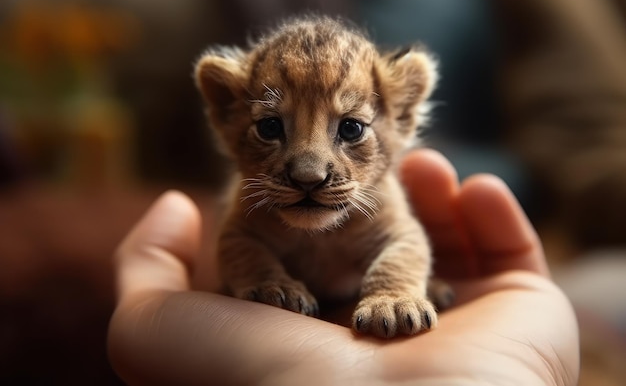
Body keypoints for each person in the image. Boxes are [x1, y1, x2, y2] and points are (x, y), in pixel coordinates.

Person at [107, 149, 580, 385]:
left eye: (351, 129)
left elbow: (404, 238)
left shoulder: (382, 197)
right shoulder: (251, 206)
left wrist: (392, 288)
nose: (309, 172)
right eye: (271, 127)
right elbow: (237, 241)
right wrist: (262, 278)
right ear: (225, 113)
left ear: (403, 112)